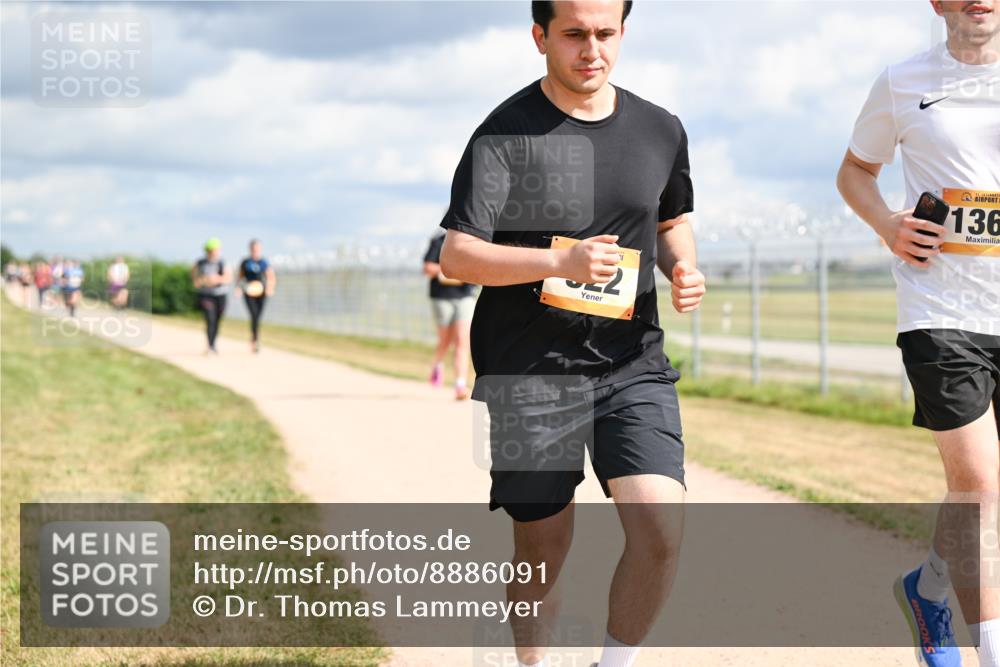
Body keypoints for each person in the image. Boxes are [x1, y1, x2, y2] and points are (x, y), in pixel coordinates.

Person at [438, 2, 706, 666]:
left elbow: (671, 219)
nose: (592, 50)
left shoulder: (660, 128)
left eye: (606, 34)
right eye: (574, 34)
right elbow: (458, 256)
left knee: (660, 525)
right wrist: (560, 262)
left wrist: (685, 267)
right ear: (541, 37)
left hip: (631, 360)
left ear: (623, 33)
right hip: (530, 370)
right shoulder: (506, 133)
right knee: (543, 545)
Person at [837, 2, 999, 665]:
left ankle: (927, 588)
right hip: (939, 311)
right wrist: (887, 224)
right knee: (980, 482)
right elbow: (854, 171)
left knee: (981, 492)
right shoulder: (903, 82)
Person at [423, 229, 477, 400]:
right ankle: (437, 364)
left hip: (465, 296)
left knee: (462, 340)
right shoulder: (438, 241)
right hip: (442, 297)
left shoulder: (475, 243)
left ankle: (460, 385)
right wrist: (449, 270)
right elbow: (427, 267)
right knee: (445, 340)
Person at [192, 238, 232, 354]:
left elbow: (228, 278)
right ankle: (209, 346)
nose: (213, 252)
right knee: (210, 319)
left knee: (217, 320)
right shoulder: (200, 263)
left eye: (215, 250)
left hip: (220, 295)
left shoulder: (222, 262)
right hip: (206, 295)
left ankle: (213, 344)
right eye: (210, 250)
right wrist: (200, 281)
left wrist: (217, 279)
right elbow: (194, 275)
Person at [236, 239, 276, 353]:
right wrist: (238, 288)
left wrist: (270, 288)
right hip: (249, 292)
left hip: (262, 293)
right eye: (254, 249)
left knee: (258, 316)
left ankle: (255, 337)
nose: (255, 251)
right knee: (253, 315)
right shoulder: (245, 262)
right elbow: (240, 277)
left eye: (257, 249)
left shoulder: (264, 262)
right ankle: (255, 340)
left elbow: (271, 276)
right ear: (250, 249)